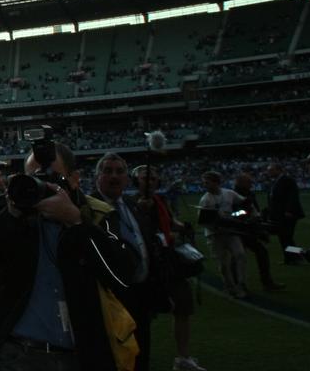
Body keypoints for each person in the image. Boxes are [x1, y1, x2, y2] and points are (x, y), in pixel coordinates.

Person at [0, 142, 136, 371]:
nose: (39, 184)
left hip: (80, 354)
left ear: (74, 179)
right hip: (14, 352)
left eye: (50, 177)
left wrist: (76, 222)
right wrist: (10, 216)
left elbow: (122, 276)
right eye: (33, 177)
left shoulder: (97, 213)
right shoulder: (9, 208)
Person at [131, 166, 205, 371]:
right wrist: (141, 212)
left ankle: (183, 357)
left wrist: (183, 227)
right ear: (136, 181)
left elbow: (170, 223)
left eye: (153, 177)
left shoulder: (159, 201)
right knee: (141, 316)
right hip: (148, 266)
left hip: (168, 263)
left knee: (183, 307)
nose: (150, 181)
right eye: (145, 177)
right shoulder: (131, 203)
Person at [91, 153, 152, 370]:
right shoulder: (89, 208)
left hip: (141, 293)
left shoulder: (133, 204)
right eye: (107, 171)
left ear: (127, 178)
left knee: (141, 350)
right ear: (97, 177)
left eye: (119, 171)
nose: (114, 176)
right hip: (110, 297)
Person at [196, 171, 248, 299]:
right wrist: (215, 226)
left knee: (240, 254)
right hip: (215, 235)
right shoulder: (205, 199)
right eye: (204, 182)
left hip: (231, 232)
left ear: (216, 182)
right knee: (223, 264)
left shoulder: (229, 193)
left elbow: (245, 203)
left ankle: (241, 284)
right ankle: (230, 287)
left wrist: (247, 213)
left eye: (207, 182)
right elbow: (202, 221)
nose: (205, 185)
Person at [231, 172, 285, 290]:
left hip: (249, 229)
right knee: (238, 256)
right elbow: (232, 214)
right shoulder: (232, 195)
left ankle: (265, 282)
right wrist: (245, 214)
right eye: (249, 182)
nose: (251, 184)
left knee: (257, 253)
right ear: (241, 183)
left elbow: (254, 210)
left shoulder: (249, 193)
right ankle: (238, 283)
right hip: (238, 230)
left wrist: (259, 217)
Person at [264, 162, 303, 262]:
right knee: (284, 237)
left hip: (287, 214)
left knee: (286, 237)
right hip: (280, 215)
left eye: (271, 170)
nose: (269, 172)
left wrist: (289, 210)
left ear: (279, 170)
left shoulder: (287, 180)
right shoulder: (276, 181)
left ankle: (296, 256)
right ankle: (293, 257)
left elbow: (292, 196)